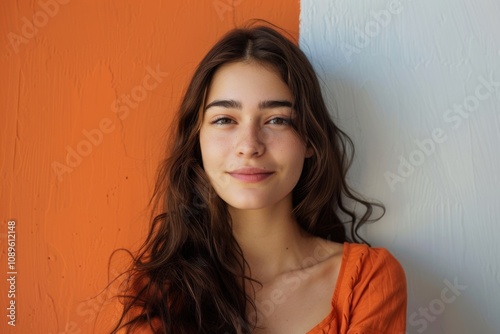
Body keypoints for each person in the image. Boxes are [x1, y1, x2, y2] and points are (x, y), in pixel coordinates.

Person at [111, 23, 407, 334]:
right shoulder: (161, 290)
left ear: (310, 140)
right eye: (225, 120)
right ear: (197, 140)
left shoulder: (368, 279)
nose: (249, 146)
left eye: (277, 120)